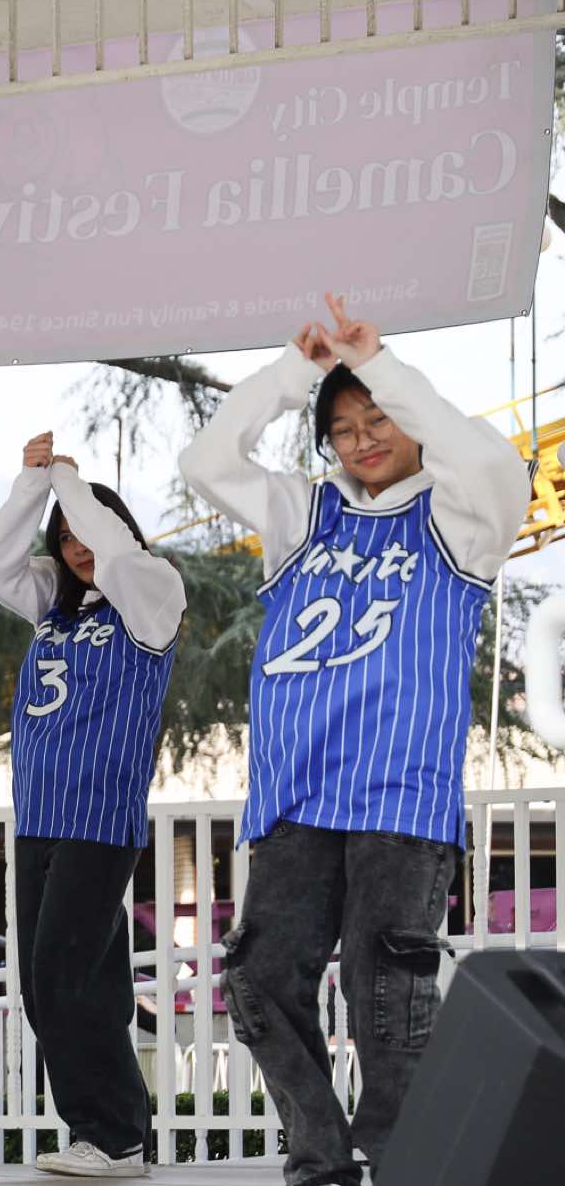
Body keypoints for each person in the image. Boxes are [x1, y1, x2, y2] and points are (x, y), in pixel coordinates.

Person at [179, 295, 527, 1186]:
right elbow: (205, 460)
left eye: (377, 420)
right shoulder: (302, 513)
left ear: (409, 419)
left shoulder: (461, 516)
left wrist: (380, 365)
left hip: (399, 795)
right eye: (341, 427)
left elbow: (491, 460)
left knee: (387, 994)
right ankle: (322, 1160)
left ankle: (408, 1161)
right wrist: (294, 370)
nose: (362, 439)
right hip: (296, 795)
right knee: (258, 976)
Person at [0, 434, 186, 1179]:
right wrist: (32, 483)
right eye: (63, 538)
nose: (77, 546)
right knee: (57, 984)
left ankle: (116, 1136)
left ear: (116, 527)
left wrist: (69, 480)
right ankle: (109, 1131)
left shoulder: (151, 595)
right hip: (38, 818)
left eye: (87, 530)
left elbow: (119, 557)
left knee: (61, 975)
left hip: (98, 818)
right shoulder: (53, 607)